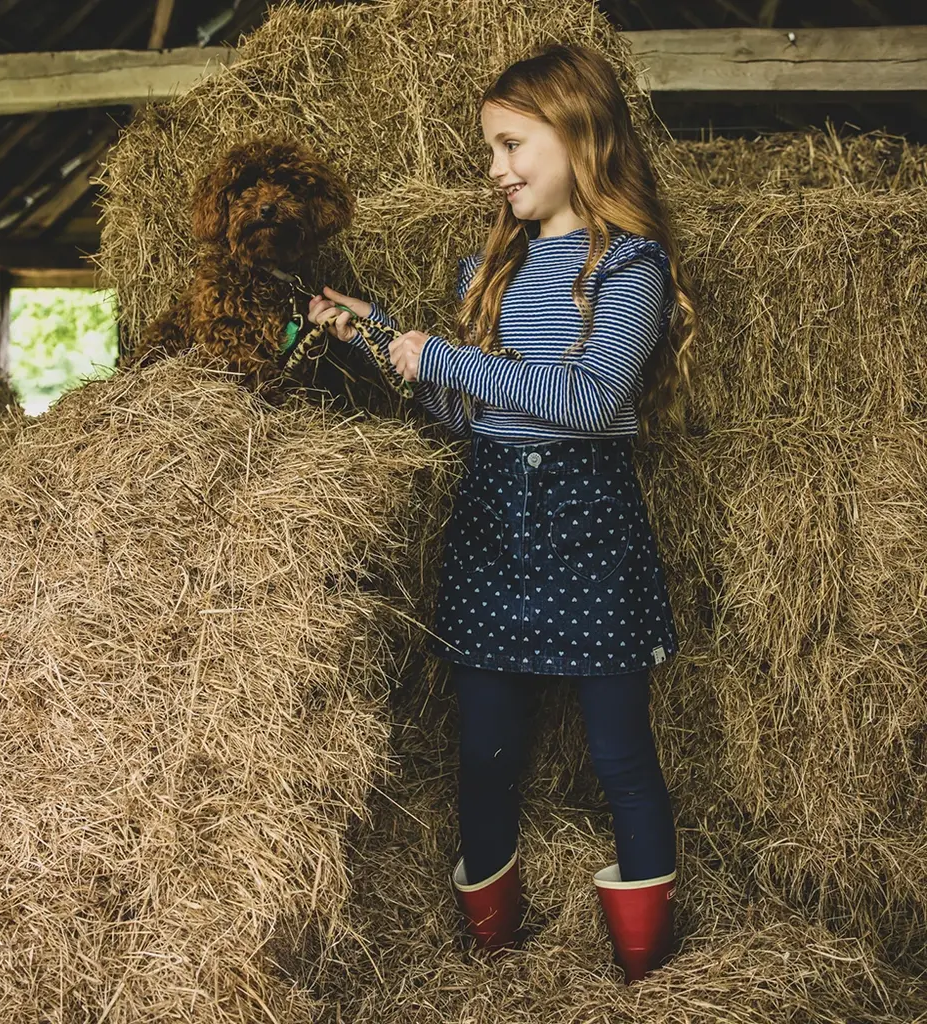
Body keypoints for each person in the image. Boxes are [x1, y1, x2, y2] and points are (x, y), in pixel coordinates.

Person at [308, 41, 698, 983]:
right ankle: (494, 961)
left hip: (588, 529)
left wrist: (437, 354)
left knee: (621, 758)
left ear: (578, 134)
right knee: (483, 757)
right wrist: (378, 338)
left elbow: (590, 399)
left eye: (511, 144)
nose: (496, 168)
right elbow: (470, 411)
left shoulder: (629, 267)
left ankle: (644, 974)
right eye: (492, 148)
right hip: (490, 528)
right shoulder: (492, 267)